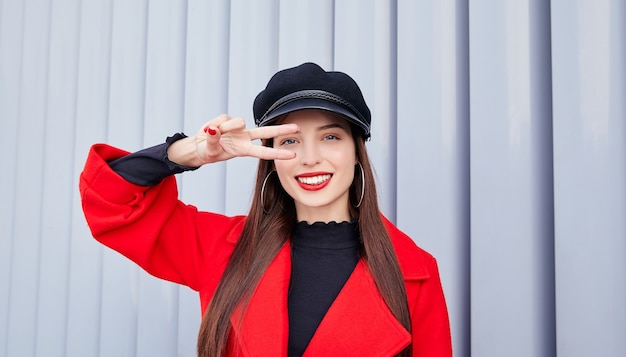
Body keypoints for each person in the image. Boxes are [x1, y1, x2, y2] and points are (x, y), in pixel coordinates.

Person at [79, 62, 452, 356]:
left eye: (331, 137)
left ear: (357, 153)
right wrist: (192, 151)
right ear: (271, 159)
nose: (309, 158)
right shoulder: (223, 249)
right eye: (289, 140)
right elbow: (110, 199)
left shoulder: (414, 273)